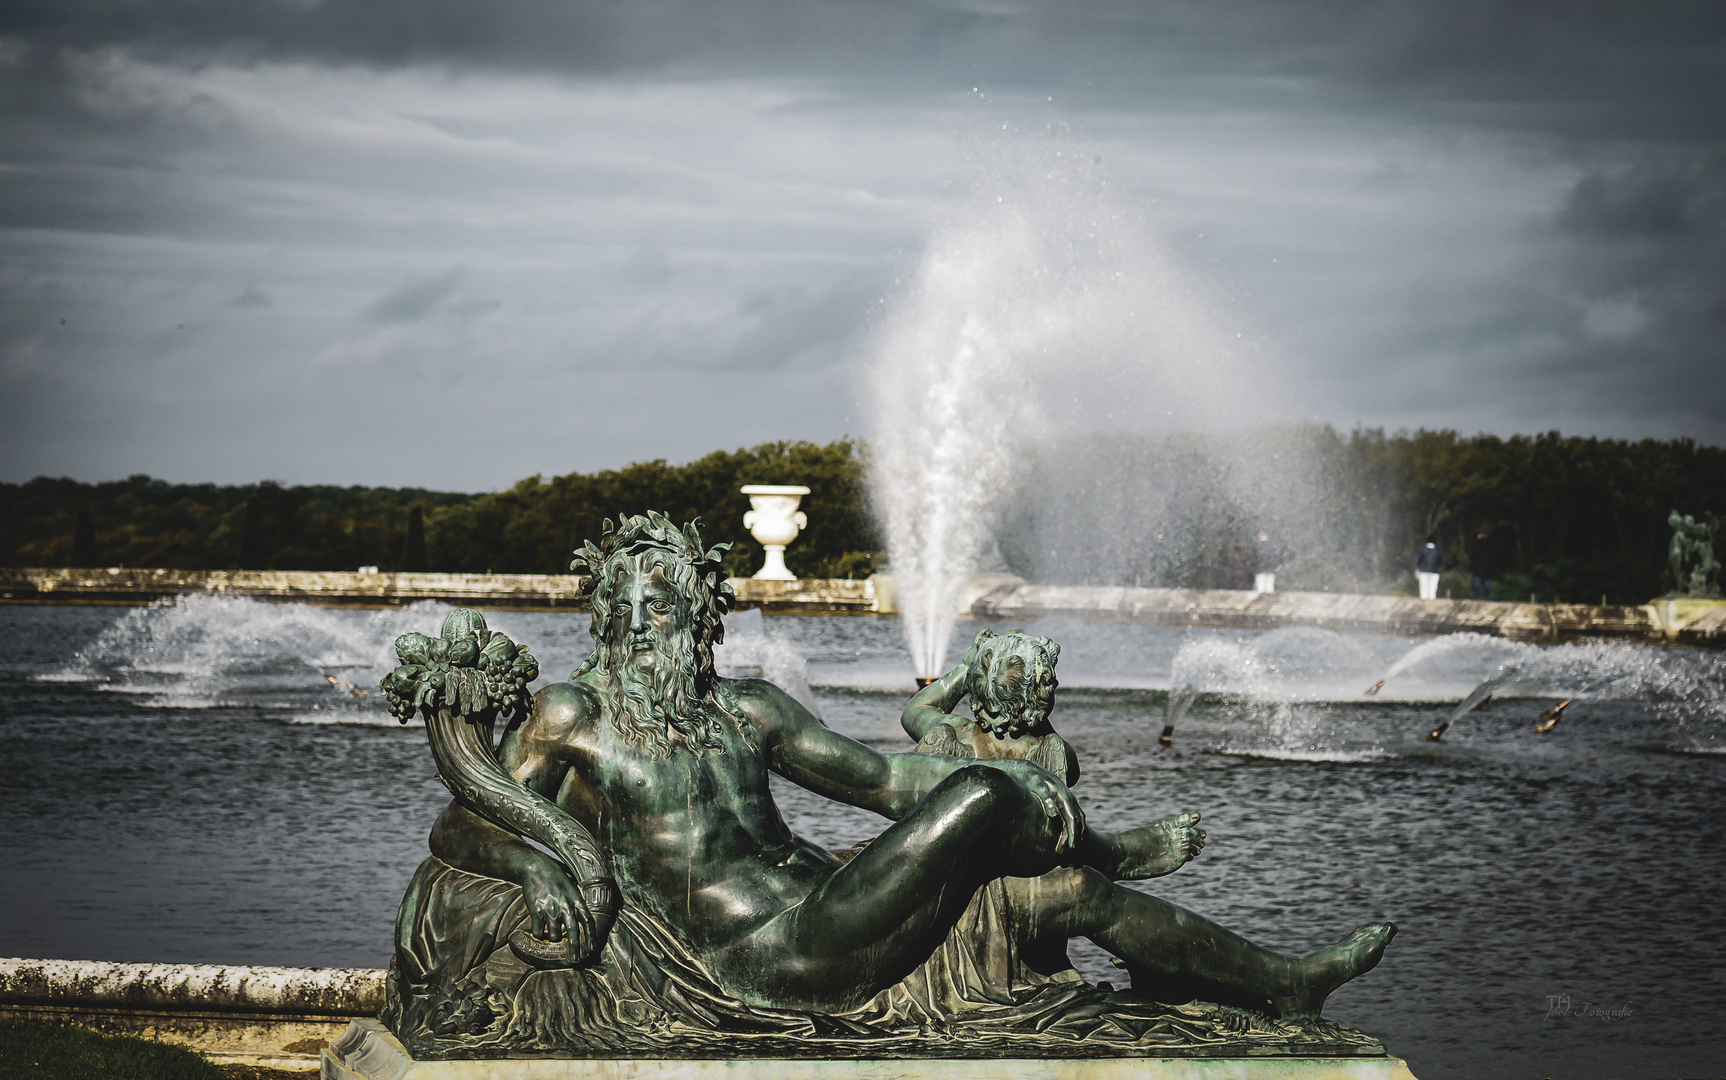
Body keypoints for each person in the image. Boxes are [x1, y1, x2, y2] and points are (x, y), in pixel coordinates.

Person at [397, 514, 1393, 1051]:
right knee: (989, 800)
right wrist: (543, 865)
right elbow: (464, 824)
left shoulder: (747, 708)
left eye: (696, 610)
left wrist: (958, 769)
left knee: (1062, 894)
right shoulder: (572, 714)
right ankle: (1104, 841)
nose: (685, 629)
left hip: (833, 903)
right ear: (617, 611)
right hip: (769, 958)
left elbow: (882, 778)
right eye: (662, 610)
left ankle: (1284, 985)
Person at [1467, 528, 1499, 601]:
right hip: (1488, 572)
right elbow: (1494, 558)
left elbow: (1472, 557)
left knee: (1476, 592)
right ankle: (1488, 605)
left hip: (1477, 571)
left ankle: (1475, 605)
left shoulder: (1475, 545)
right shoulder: (1491, 545)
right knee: (1487, 592)